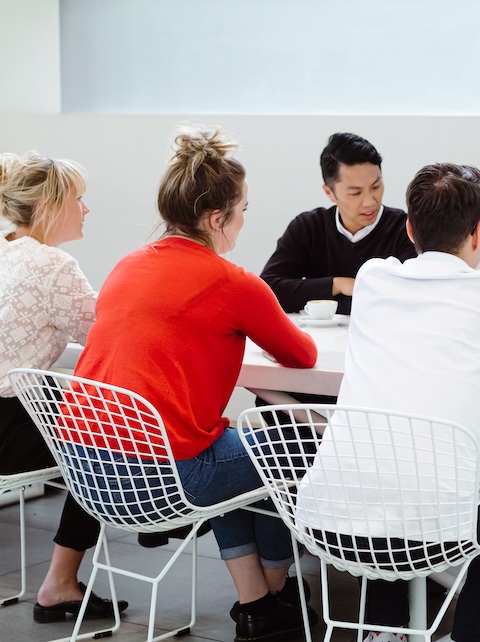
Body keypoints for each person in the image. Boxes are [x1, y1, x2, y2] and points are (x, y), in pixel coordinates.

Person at [71, 127, 319, 642]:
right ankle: (271, 596)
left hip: (84, 470)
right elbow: (302, 354)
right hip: (161, 476)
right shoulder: (233, 282)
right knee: (290, 444)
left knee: (226, 441)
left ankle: (255, 602)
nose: (245, 221)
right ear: (215, 218)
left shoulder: (126, 264)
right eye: (243, 210)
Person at [297, 163, 480, 642]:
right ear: (479, 232)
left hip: (328, 519)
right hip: (439, 527)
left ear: (410, 228)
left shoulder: (373, 277)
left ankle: (384, 631)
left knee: (389, 473)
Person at [0, 151, 131, 624]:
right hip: (8, 430)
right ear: (51, 207)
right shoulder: (53, 265)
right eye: (80, 198)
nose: (87, 209)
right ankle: (59, 584)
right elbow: (106, 332)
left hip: (7, 417)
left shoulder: (5, 251)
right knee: (102, 441)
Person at [260, 132, 416, 316]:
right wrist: (337, 284)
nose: (369, 202)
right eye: (355, 193)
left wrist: (321, 296)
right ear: (329, 193)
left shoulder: (405, 228)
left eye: (375, 187)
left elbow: (409, 294)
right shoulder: (308, 227)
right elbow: (268, 290)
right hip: (321, 339)